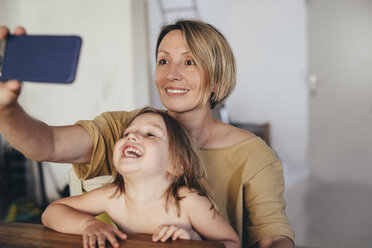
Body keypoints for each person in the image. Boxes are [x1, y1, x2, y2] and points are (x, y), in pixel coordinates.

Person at [0, 20, 295, 248]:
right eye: (163, 61)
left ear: (217, 79)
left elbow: (272, 236)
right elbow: (46, 144)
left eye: (189, 62)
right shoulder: (127, 128)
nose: (171, 74)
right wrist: (6, 108)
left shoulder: (254, 155)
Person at [41, 107, 240, 248]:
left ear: (177, 165)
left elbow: (233, 243)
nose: (131, 137)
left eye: (150, 134)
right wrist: (88, 224)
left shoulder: (189, 201)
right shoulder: (114, 196)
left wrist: (194, 240)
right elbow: (52, 212)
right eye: (127, 133)